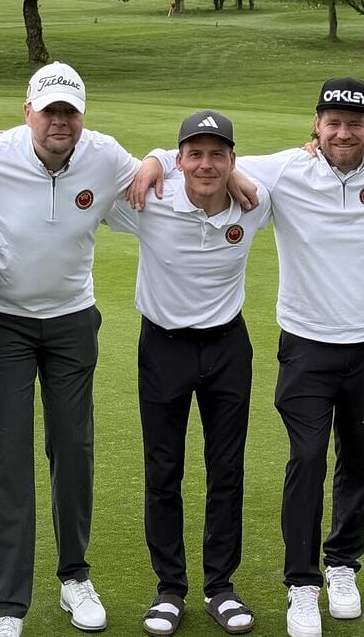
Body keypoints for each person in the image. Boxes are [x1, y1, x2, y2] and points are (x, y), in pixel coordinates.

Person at [137, 78, 364, 637]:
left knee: (358, 456)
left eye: (355, 123)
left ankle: (343, 565)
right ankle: (301, 585)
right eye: (332, 122)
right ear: (316, 126)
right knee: (306, 458)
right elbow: (206, 159)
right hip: (305, 343)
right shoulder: (284, 169)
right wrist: (157, 160)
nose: (343, 132)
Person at [0, 61, 140, 636]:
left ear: (82, 114)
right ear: (27, 111)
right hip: (1, 321)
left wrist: (209, 171)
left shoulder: (104, 156)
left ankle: (74, 576)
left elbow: (164, 178)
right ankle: (9, 604)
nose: (60, 121)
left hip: (72, 321)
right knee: (10, 455)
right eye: (49, 110)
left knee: (73, 447)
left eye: (69, 111)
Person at [105, 111, 271, 636]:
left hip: (227, 347)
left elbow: (306, 164)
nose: (206, 164)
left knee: (227, 469)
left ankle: (220, 586)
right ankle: (170, 589)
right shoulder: (148, 200)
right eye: (194, 154)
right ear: (179, 160)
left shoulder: (255, 201)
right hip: (164, 347)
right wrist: (152, 157)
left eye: (217, 154)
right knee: (164, 469)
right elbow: (88, 174)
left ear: (233, 160)